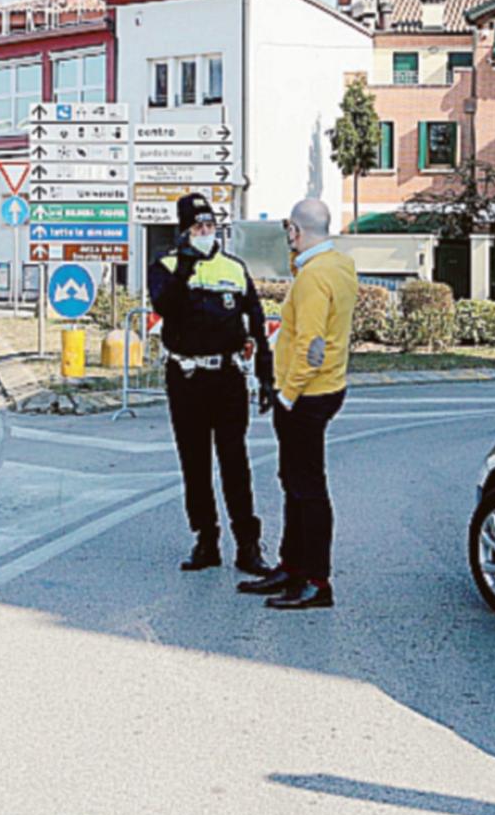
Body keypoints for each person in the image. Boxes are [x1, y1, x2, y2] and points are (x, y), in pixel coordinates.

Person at [238, 198, 357, 611]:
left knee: (306, 488)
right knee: (294, 481)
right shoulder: (337, 267)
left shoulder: (314, 277)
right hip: (325, 388)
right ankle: (292, 567)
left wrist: (287, 394)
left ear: (295, 231)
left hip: (307, 395)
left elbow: (312, 345)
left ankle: (316, 581)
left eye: (289, 230)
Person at [149, 194, 274, 576]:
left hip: (227, 377)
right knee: (195, 462)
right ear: (184, 231)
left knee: (235, 462)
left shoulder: (233, 268)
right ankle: (206, 538)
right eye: (197, 227)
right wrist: (186, 266)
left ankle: (248, 545)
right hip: (186, 377)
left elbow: (256, 320)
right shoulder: (166, 266)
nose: (205, 233)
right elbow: (165, 306)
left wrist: (266, 376)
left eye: (209, 226)